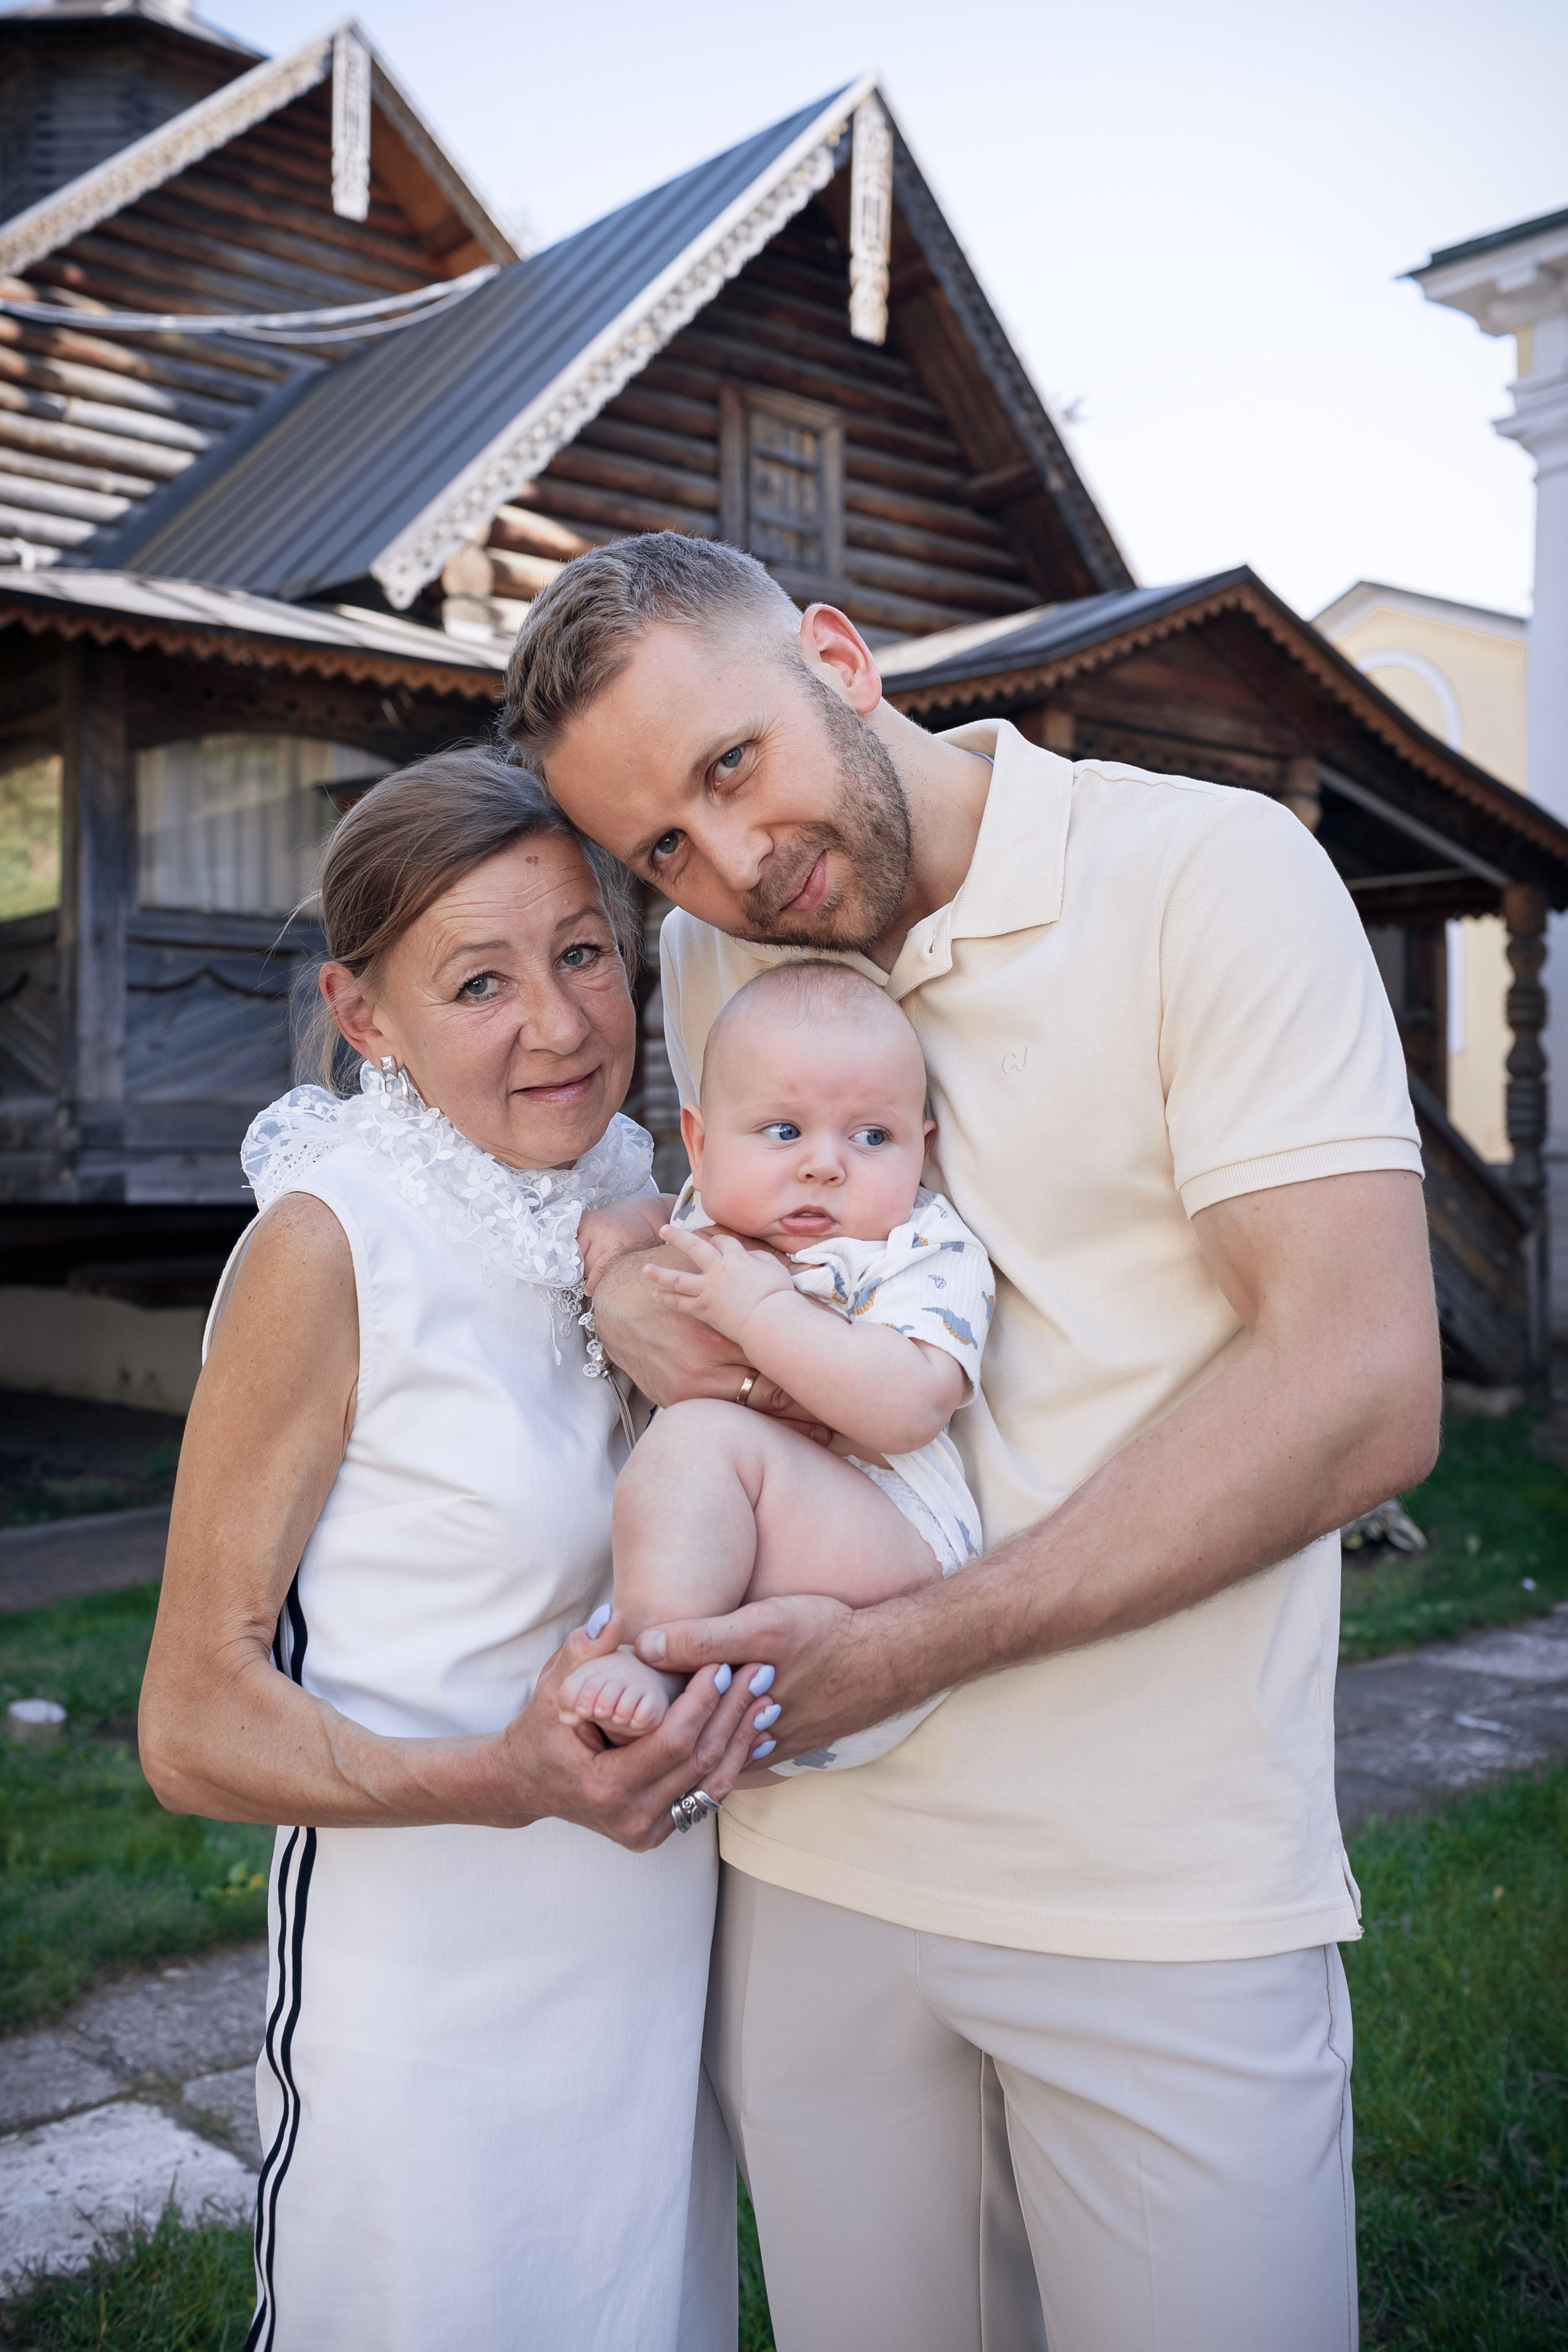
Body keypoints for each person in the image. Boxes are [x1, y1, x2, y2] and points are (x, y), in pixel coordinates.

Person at [501, 533, 1442, 2352]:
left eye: (731, 767)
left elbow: (1363, 1388)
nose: (730, 866)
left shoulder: (1208, 876)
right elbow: (691, 1266)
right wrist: (628, 1299)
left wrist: (899, 1651)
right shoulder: (715, 964)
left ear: (841, 660)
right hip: (810, 1870)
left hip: (1157, 1887)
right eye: (663, 851)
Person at [137, 748, 778, 2352]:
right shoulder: (331, 1239)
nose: (560, 1024)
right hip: (430, 1994)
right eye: (478, 981)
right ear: (367, 1018)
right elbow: (191, 1724)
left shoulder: (655, 1196)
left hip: (656, 1969)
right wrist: (501, 1777)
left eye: (579, 951)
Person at [559, 959, 990, 1769]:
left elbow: (912, 1407)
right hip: (761, 1582)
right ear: (700, 1141)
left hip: (893, 1543)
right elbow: (683, 1205)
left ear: (921, 1150)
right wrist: (631, 1216)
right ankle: (679, 1681)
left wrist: (766, 1315)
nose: (825, 1165)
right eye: (784, 1131)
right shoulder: (709, 1219)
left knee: (697, 1439)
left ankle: (651, 1652)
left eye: (873, 1136)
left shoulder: (919, 1247)